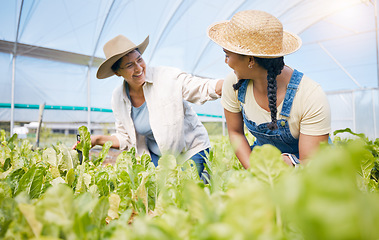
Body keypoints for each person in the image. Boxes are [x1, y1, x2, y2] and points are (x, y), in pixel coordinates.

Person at [81, 34, 223, 176]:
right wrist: (97, 140)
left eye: (139, 60)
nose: (139, 68)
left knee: (181, 188)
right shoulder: (118, 97)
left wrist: (224, 85)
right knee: (157, 192)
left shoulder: (166, 76)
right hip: (157, 157)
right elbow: (125, 138)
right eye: (130, 65)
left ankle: (203, 179)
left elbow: (198, 86)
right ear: (117, 72)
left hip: (190, 150)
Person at [207, 10, 331, 168]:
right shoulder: (233, 83)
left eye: (227, 55)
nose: (226, 62)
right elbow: (235, 133)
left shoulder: (310, 95)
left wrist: (282, 166)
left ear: (250, 59)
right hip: (264, 162)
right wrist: (255, 171)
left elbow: (310, 164)